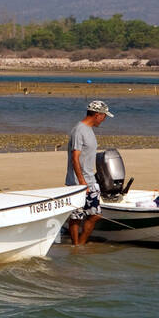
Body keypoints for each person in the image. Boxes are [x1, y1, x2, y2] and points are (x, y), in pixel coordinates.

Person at [65, 99, 113, 245]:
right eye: (104, 116)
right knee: (76, 216)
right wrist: (82, 183)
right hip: (78, 183)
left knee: (95, 215)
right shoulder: (79, 130)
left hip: (90, 180)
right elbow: (75, 157)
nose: (104, 120)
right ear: (97, 115)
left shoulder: (89, 130)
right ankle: (76, 245)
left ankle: (81, 244)